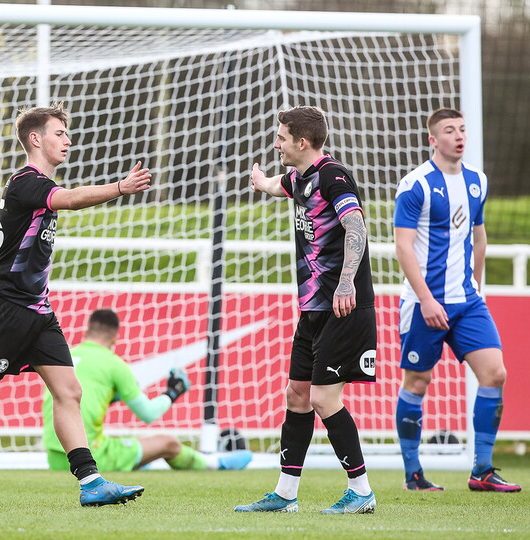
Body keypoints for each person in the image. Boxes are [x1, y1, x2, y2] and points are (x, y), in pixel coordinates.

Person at [0, 102, 150, 508]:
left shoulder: (31, 189)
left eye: (67, 133)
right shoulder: (27, 183)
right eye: (59, 133)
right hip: (7, 308)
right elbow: (69, 199)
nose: (68, 140)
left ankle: (91, 482)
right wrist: (119, 187)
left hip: (36, 309)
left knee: (69, 391)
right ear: (36, 139)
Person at [235, 106, 377, 514]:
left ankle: (362, 491)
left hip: (343, 306)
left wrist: (347, 280)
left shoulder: (334, 176)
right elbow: (285, 186)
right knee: (297, 395)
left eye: (280, 137)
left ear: (301, 142)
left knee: (323, 398)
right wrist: (262, 183)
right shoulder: (301, 177)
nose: (276, 143)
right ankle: (284, 495)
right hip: (314, 308)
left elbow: (356, 227)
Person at [393, 108, 521, 492]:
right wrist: (428, 300)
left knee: (495, 373)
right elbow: (402, 248)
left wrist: (475, 286)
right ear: (434, 139)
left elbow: (478, 238)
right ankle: (413, 474)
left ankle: (481, 470)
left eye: (462, 129)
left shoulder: (477, 181)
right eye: (449, 130)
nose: (458, 135)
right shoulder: (414, 184)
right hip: (424, 304)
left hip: (467, 302)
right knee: (417, 382)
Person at [42, 309, 253, 472]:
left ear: (87, 331)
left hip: (55, 458)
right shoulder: (114, 364)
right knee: (167, 443)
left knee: (132, 445)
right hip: (90, 457)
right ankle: (215, 463)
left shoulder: (66, 356)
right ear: (115, 340)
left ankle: (138, 461)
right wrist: (172, 392)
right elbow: (148, 414)